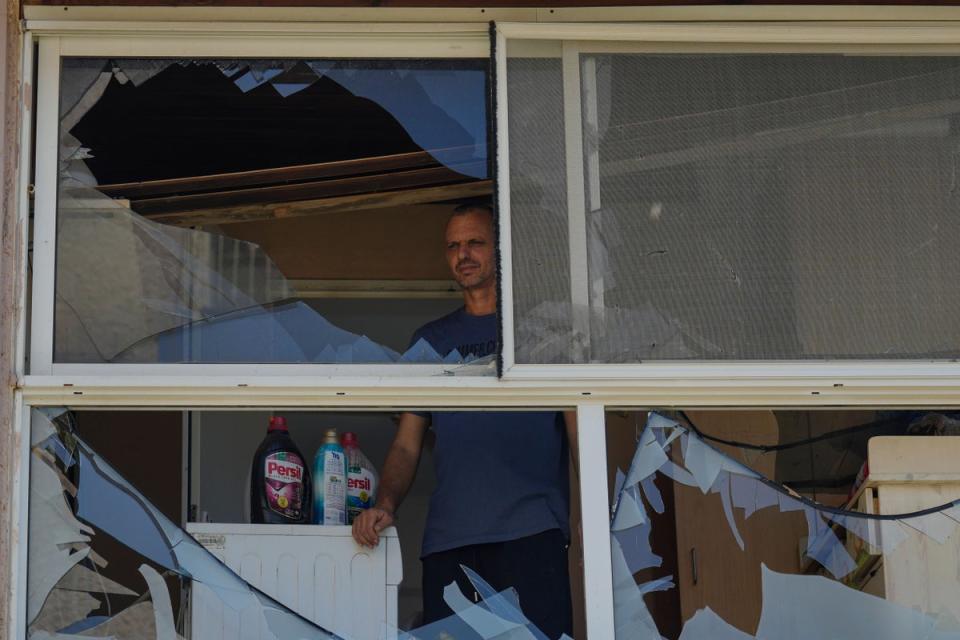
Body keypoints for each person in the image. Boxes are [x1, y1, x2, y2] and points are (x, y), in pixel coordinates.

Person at [351, 202, 577, 639]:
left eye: (475, 242)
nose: (463, 254)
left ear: (500, 250)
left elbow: (578, 430)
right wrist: (385, 504)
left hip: (532, 534)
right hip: (450, 540)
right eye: (453, 245)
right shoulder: (432, 341)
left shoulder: (543, 335)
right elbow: (406, 444)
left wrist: (595, 519)